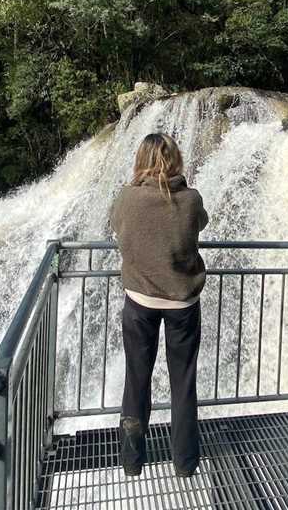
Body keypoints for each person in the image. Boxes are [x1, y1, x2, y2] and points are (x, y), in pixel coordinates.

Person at [109, 132, 209, 478]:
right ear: (175, 160)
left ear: (141, 160)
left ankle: (132, 461)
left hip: (139, 302)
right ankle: (185, 463)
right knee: (183, 383)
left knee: (137, 379)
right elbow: (200, 224)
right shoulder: (191, 199)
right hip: (182, 302)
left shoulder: (126, 198)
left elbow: (117, 228)